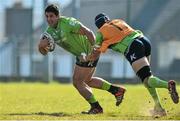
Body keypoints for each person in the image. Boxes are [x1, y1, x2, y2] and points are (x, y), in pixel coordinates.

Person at [38, 4, 126, 114]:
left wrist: (95, 50)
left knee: (77, 82)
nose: (49, 19)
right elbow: (44, 52)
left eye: (51, 16)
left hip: (88, 52)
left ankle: (96, 107)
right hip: (81, 55)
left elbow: (88, 32)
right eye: (47, 16)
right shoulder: (49, 32)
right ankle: (117, 91)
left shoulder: (68, 23)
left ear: (58, 16)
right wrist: (42, 47)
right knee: (87, 81)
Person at [90, 13, 179, 116]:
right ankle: (158, 107)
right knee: (147, 79)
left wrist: (88, 57)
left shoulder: (100, 32)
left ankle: (168, 85)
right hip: (144, 40)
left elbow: (96, 50)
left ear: (98, 25)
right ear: (107, 19)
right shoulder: (118, 21)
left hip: (133, 47)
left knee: (147, 79)